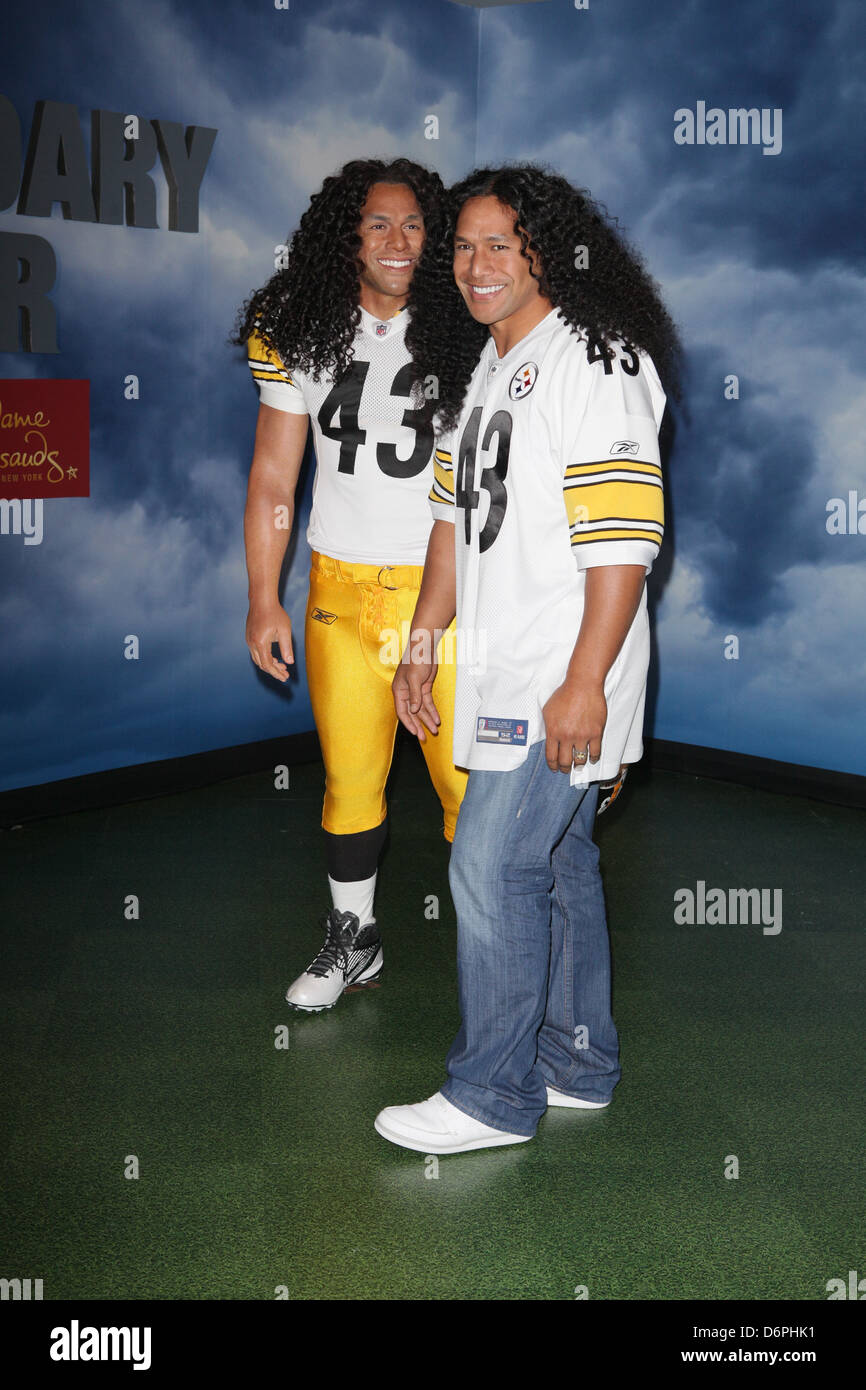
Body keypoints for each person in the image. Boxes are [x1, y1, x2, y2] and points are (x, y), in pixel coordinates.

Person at [376, 164, 681, 1153]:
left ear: (545, 250)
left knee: (492, 861)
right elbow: (447, 518)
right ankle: (574, 1061)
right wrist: (420, 645)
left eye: (499, 244)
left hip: (563, 667)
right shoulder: (490, 363)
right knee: (557, 861)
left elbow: (625, 539)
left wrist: (585, 679)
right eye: (461, 246)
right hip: (507, 666)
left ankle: (490, 1096)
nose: (475, 265)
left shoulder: (594, 358)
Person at [234, 158, 468, 1012]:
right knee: (350, 780)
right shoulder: (299, 327)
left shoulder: (470, 326)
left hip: (448, 593)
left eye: (415, 226)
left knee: (467, 785)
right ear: (347, 234)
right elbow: (273, 477)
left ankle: (499, 956)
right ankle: (354, 940)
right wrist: (264, 595)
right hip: (340, 587)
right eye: (379, 223)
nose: (399, 242)